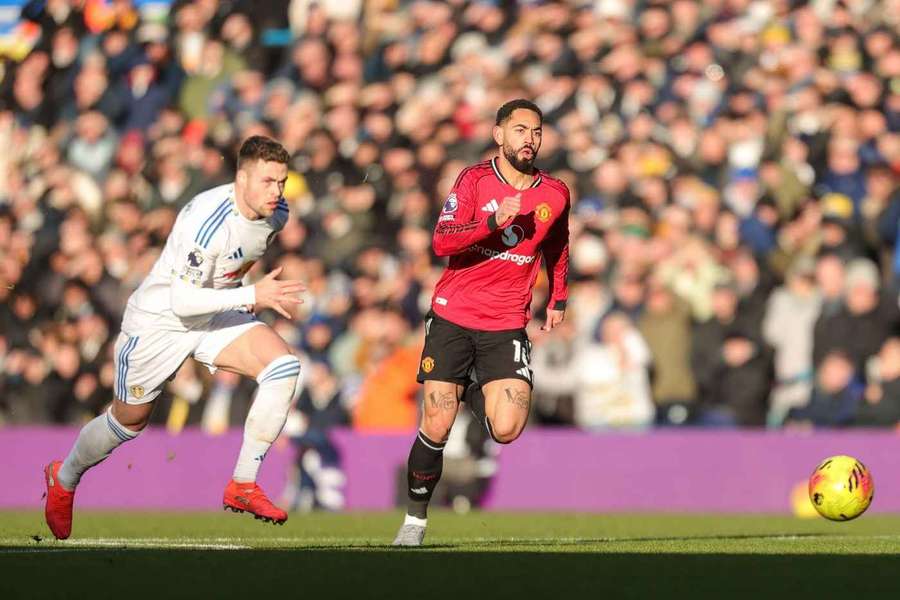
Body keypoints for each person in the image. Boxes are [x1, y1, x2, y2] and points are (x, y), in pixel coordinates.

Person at [43, 136, 305, 539]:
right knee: (129, 422)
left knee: (284, 367)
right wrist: (254, 295)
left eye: (281, 182)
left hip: (215, 311)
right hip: (161, 320)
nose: (277, 192)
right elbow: (182, 301)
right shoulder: (206, 219)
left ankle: (243, 484)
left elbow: (233, 265)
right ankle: (66, 476)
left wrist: (242, 296)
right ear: (241, 178)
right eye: (268, 181)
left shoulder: (278, 214)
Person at [392, 99, 570, 546]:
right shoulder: (473, 180)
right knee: (436, 420)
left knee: (506, 428)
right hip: (454, 314)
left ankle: (472, 390)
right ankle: (414, 521)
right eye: (520, 131)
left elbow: (558, 244)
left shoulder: (555, 193)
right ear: (499, 135)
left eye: (536, 132)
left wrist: (559, 296)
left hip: (506, 323)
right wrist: (493, 221)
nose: (529, 140)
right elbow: (440, 241)